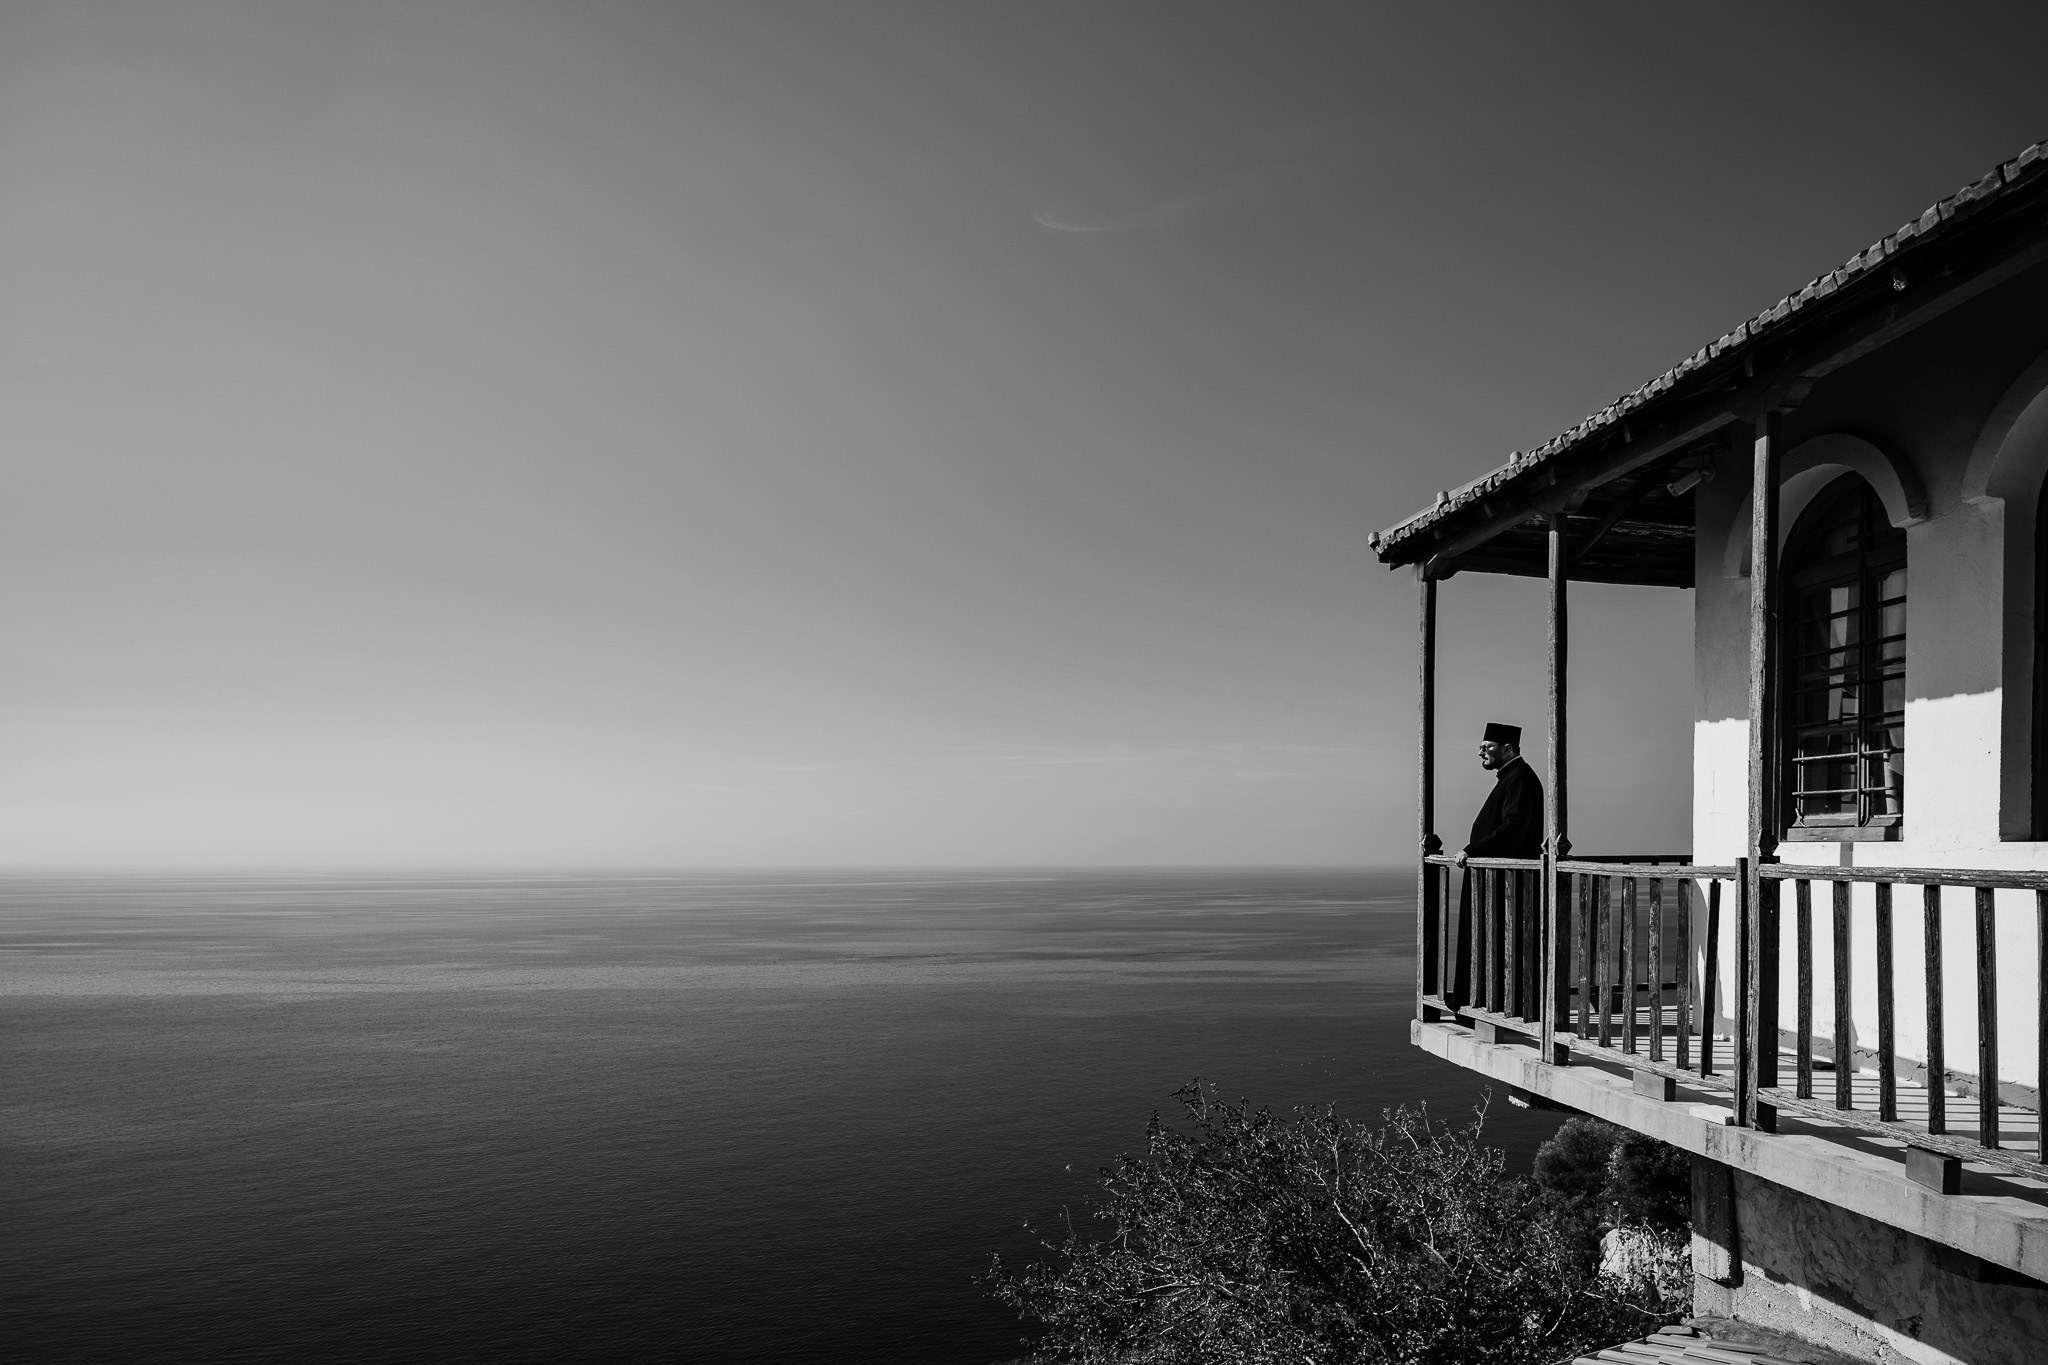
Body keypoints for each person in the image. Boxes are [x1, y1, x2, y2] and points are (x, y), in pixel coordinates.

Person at [1448, 722, 1544, 1009]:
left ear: (1508, 749)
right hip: (1496, 880)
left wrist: (1473, 849)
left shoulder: (1520, 778)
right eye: (1481, 747)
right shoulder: (1512, 777)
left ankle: (1489, 1005)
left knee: (1498, 944)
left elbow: (1513, 827)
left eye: (1487, 747)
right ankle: (1479, 1002)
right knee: (1487, 942)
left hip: (1505, 883)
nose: (1481, 753)